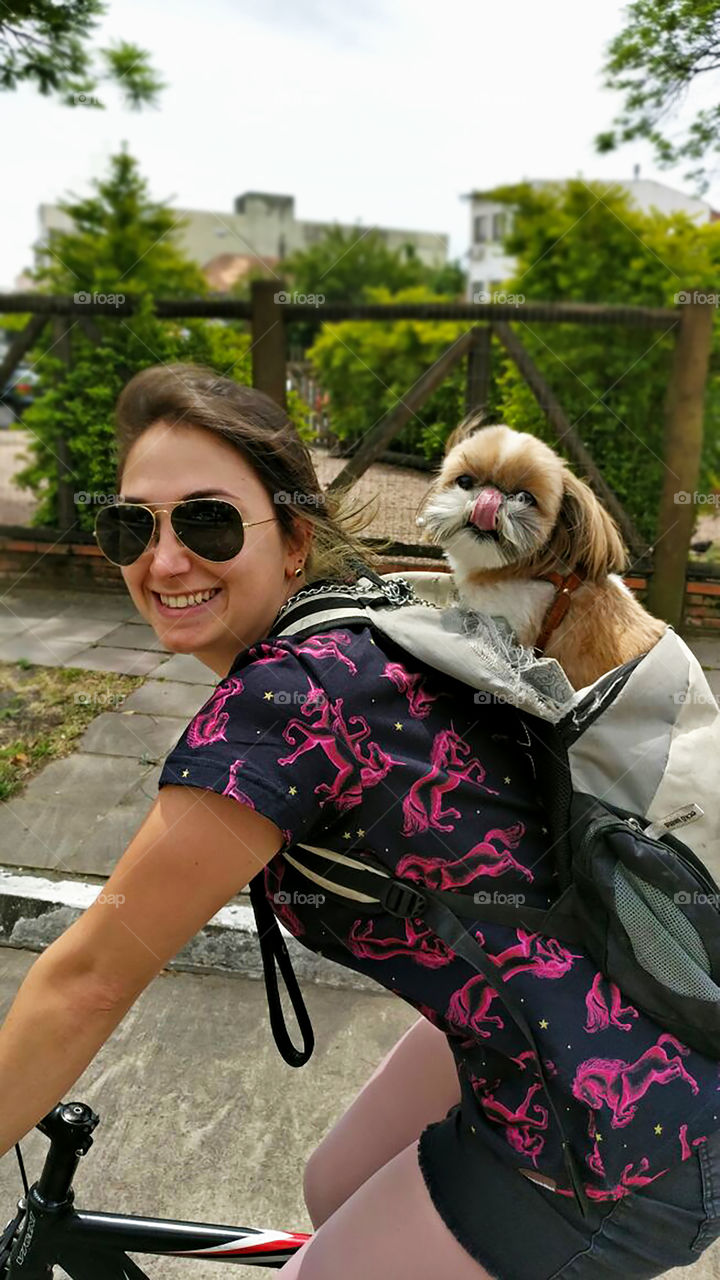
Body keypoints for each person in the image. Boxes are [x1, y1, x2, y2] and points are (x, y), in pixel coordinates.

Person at [0, 363, 719, 1280]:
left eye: (210, 521)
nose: (165, 560)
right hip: (571, 1006)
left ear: (296, 540)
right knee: (334, 1185)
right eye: (129, 526)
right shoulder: (365, 619)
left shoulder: (291, 701)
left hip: (629, 1138)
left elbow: (88, 982)